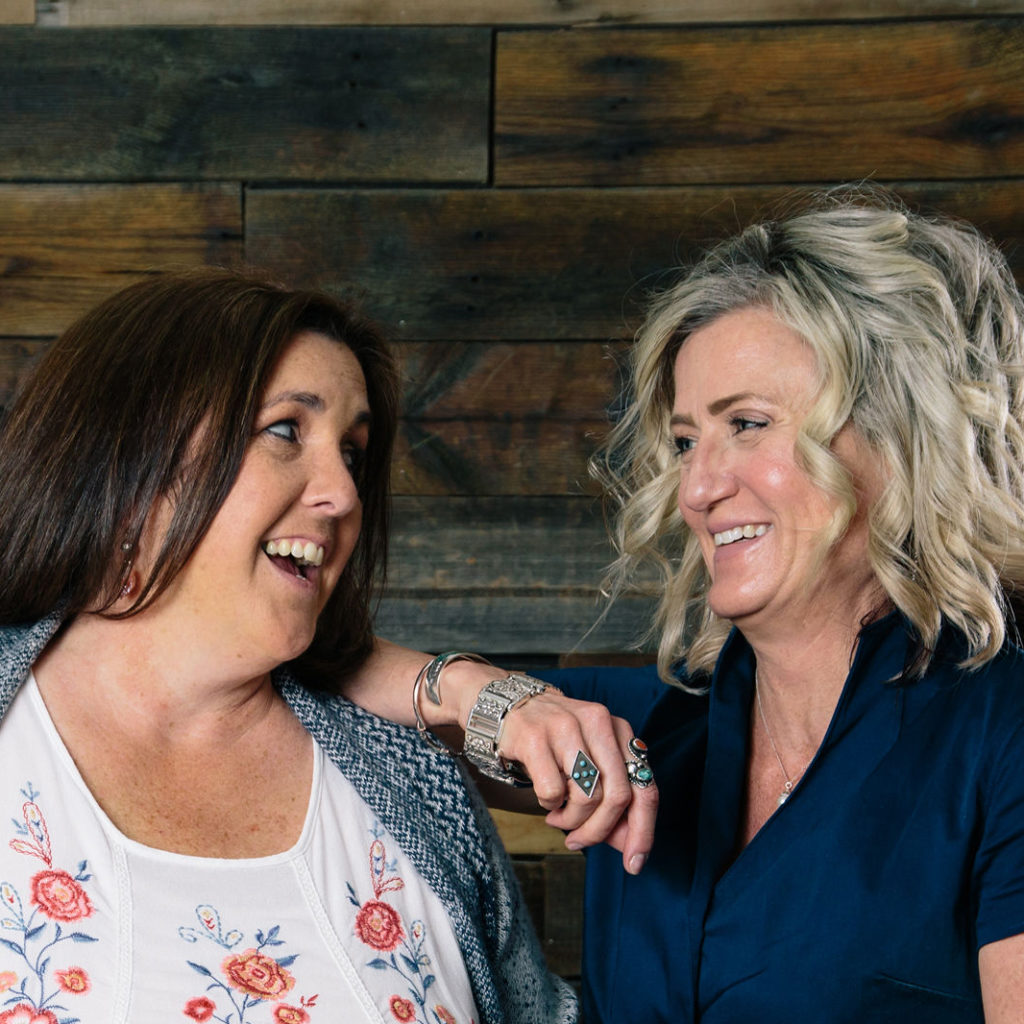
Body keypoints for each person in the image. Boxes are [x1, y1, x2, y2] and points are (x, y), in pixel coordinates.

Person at [345, 191, 1024, 1023]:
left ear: (896, 433)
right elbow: (302, 684)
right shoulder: (650, 739)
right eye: (684, 442)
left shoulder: (1001, 733)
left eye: (748, 423)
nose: (699, 489)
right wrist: (482, 694)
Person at [0, 269, 575, 1024]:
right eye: (285, 430)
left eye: (354, 451)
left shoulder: (414, 788)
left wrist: (466, 689)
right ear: (134, 452)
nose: (342, 493)